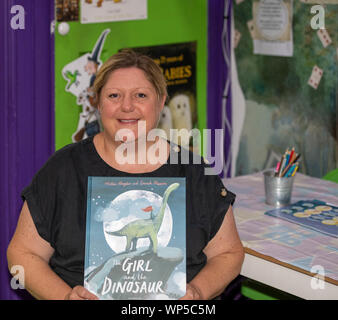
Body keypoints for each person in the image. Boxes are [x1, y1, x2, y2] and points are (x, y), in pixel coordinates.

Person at [7, 49, 244, 300]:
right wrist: (64, 297)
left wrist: (198, 291)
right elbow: (22, 254)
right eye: (114, 95)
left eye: (140, 95)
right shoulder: (63, 170)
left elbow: (228, 254)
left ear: (161, 101)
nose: (127, 106)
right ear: (98, 103)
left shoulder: (196, 172)